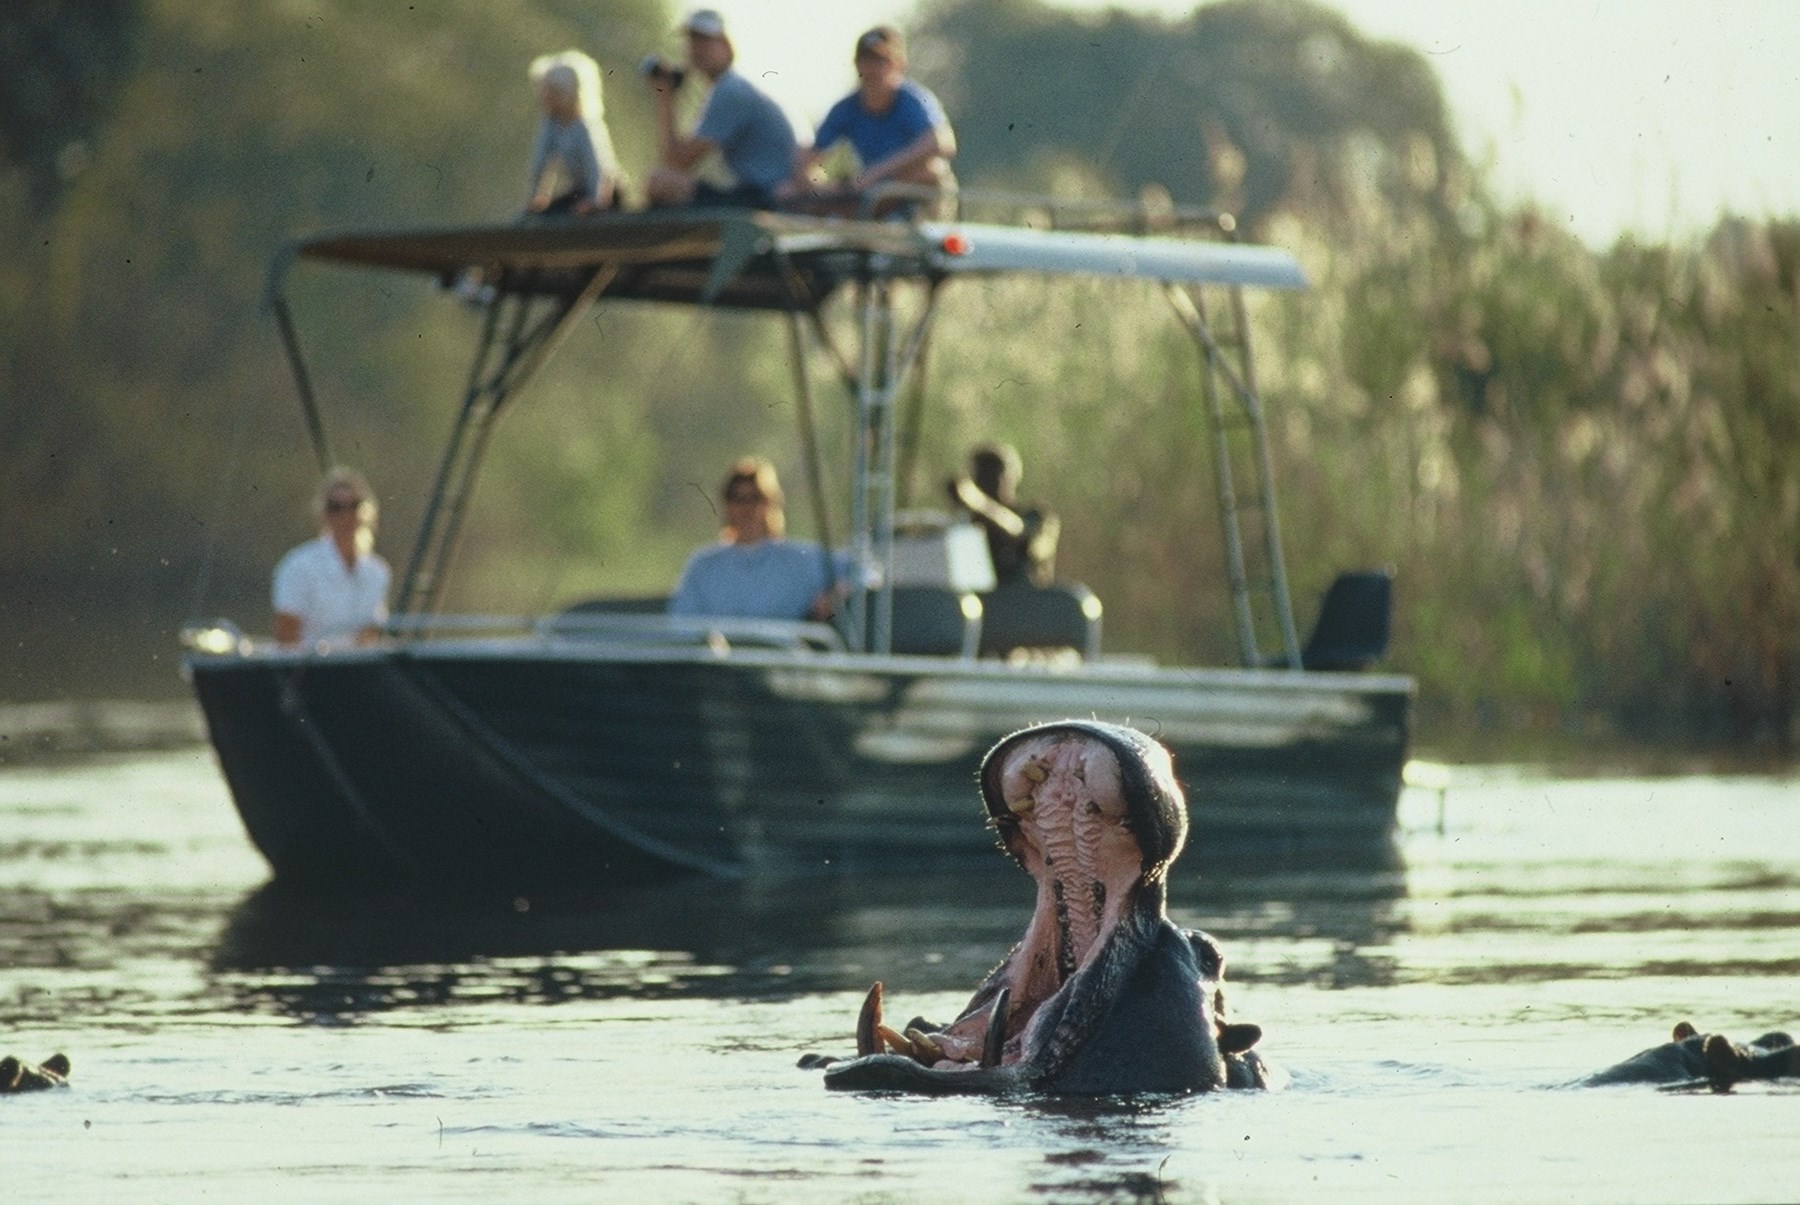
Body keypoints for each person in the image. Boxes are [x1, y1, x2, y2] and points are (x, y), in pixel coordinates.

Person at [785, 25, 956, 214]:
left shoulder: (913, 100)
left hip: (911, 193)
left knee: (931, 170)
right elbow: (810, 157)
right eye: (865, 60)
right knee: (786, 192)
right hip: (868, 194)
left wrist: (875, 174)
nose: (872, 70)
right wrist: (819, 186)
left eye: (881, 61)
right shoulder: (847, 108)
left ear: (898, 64)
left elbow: (942, 142)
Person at [643, 9, 799, 209]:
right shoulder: (729, 86)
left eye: (705, 41)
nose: (696, 49)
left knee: (660, 183)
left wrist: (665, 99)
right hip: (758, 193)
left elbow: (675, 161)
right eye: (692, 41)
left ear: (726, 45)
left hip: (767, 197)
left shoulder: (730, 90)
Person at [670, 458, 845, 620]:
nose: (747, 508)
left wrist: (837, 593)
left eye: (755, 498)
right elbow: (682, 624)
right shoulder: (704, 565)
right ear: (726, 505)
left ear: (770, 503)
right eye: (738, 499)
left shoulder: (799, 560)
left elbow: (863, 569)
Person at [272, 467, 391, 647]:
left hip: (359, 670)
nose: (346, 515)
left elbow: (369, 635)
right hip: (310, 669)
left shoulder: (377, 571)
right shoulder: (298, 565)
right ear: (324, 514)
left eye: (353, 506)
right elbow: (287, 636)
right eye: (336, 508)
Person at [948, 444, 1060, 587]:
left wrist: (979, 503)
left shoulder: (1036, 515)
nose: (989, 482)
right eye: (981, 475)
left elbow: (1027, 539)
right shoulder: (968, 523)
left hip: (1026, 600)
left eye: (994, 474)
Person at [524, 49, 620, 214]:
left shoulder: (585, 126)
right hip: (579, 191)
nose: (543, 97)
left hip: (606, 191)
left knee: (582, 213)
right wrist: (534, 198)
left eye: (550, 92)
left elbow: (596, 168)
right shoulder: (550, 124)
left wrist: (594, 202)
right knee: (547, 214)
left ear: (566, 93)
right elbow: (540, 165)